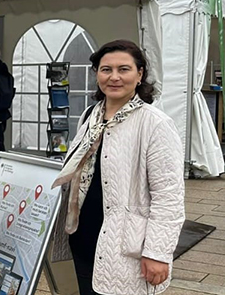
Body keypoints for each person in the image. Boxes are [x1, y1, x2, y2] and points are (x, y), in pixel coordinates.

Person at [52, 40, 184, 295]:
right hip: (83, 237)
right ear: (97, 74)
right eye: (106, 70)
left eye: (124, 69)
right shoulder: (90, 115)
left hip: (126, 245)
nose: (114, 77)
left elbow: (169, 197)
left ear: (140, 74)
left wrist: (158, 253)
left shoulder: (155, 123)